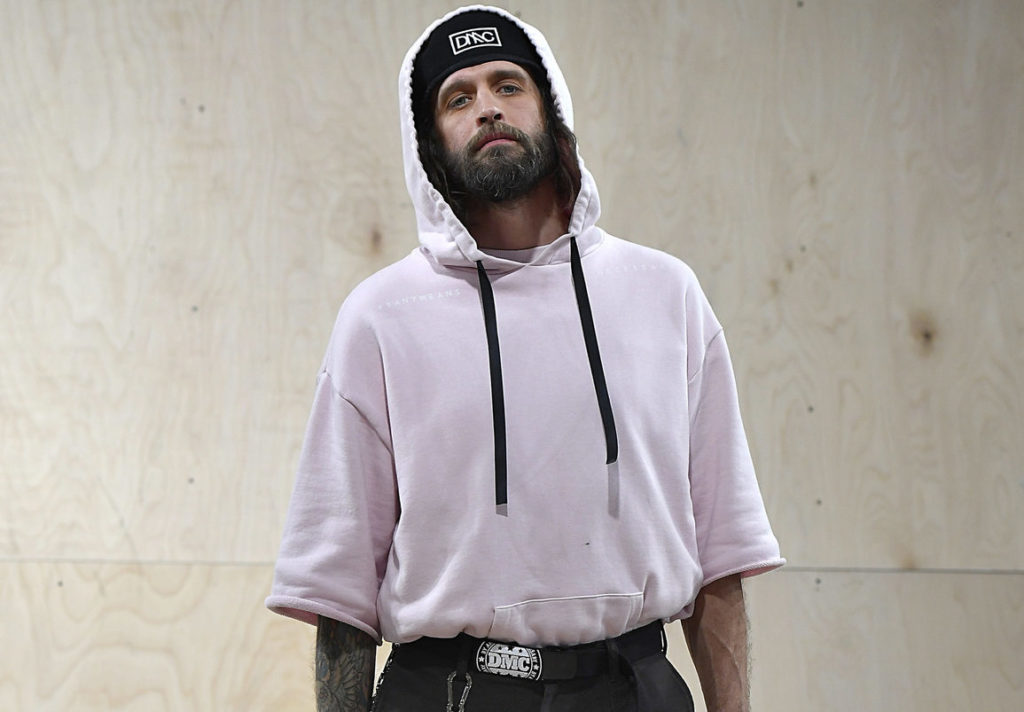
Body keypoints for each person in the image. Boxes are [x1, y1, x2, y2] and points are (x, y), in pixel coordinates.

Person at [266, 6, 784, 711]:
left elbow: (722, 550)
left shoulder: (667, 293)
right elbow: (341, 585)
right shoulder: (381, 317)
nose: (488, 108)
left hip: (636, 687)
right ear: (429, 141)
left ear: (551, 108)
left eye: (508, 85)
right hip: (448, 692)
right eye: (458, 98)